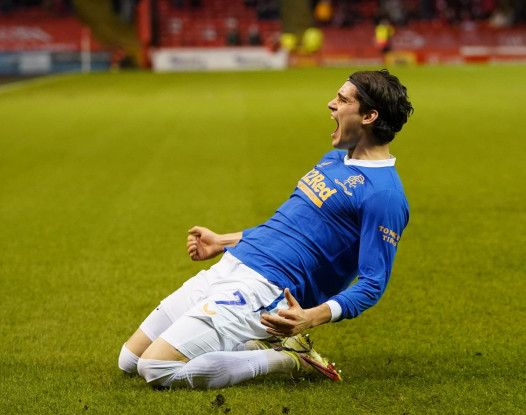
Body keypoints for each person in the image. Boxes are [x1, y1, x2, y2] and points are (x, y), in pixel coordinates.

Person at [119, 69, 414, 389]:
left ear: (370, 115)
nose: (331, 104)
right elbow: (284, 228)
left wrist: (309, 317)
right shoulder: (333, 159)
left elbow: (373, 283)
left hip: (266, 288)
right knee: (129, 361)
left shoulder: (384, 195)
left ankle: (289, 358)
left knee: (154, 366)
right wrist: (223, 241)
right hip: (232, 265)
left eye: (342, 100)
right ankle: (244, 343)